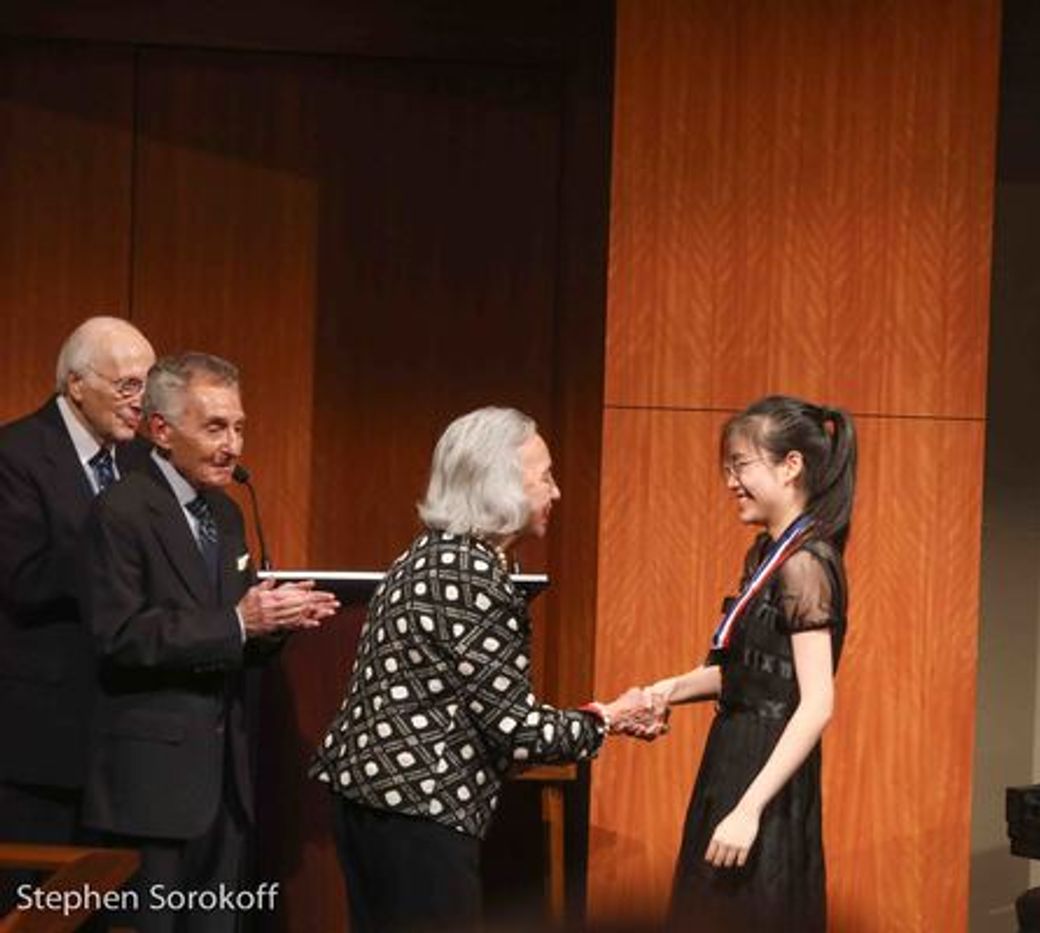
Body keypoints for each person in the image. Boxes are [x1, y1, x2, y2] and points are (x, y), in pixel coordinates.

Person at [312, 407, 656, 933]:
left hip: (369, 802)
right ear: (501, 487)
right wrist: (605, 720)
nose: (556, 492)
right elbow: (515, 731)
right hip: (418, 812)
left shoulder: (424, 555)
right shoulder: (474, 576)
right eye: (544, 477)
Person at [82, 352, 338, 933]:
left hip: (226, 786)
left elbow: (232, 629)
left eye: (240, 427)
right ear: (161, 430)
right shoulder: (120, 510)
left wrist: (277, 621)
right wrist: (241, 622)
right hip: (150, 789)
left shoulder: (223, 513)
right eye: (215, 427)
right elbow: (119, 634)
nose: (233, 445)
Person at [638, 395, 856, 932]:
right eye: (727, 467)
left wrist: (749, 809)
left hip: (767, 773)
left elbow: (816, 703)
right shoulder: (766, 554)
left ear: (791, 466)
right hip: (731, 753)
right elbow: (743, 674)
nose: (730, 480)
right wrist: (662, 691)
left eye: (741, 465)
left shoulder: (806, 564)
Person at [0, 316, 156, 910]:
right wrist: (115, 548)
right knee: (33, 911)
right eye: (126, 385)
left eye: (146, 385)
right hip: (40, 735)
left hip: (123, 736)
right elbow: (23, 578)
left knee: (100, 909)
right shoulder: (14, 454)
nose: (139, 401)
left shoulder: (142, 463)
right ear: (75, 385)